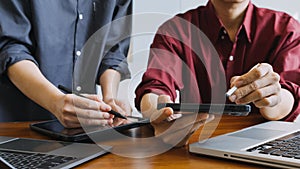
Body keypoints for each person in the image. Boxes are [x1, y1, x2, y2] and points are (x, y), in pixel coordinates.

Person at [135, 0, 300, 146]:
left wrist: (272, 98)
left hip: (263, 147)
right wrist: (157, 115)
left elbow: (290, 93)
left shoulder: (286, 29)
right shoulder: (175, 30)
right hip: (193, 144)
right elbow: (154, 88)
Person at [0, 0, 132, 128]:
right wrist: (55, 102)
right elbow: (11, 50)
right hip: (19, 122)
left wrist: (109, 100)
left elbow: (113, 51)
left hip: (81, 129)